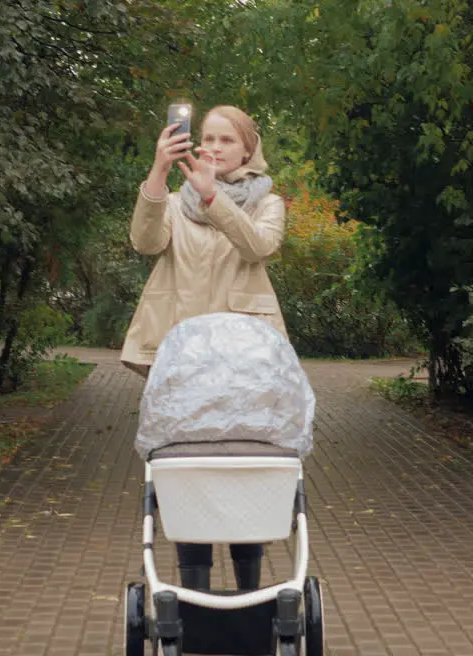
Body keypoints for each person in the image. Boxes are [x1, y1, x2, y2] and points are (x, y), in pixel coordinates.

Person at [121, 105, 289, 592]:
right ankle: (191, 600)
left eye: (225, 141)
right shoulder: (175, 202)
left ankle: (250, 596)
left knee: (244, 472)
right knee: (186, 472)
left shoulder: (266, 202)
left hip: (245, 362)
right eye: (207, 139)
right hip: (181, 358)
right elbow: (144, 241)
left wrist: (213, 196)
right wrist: (158, 170)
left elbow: (258, 246)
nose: (213, 148)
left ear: (248, 149)